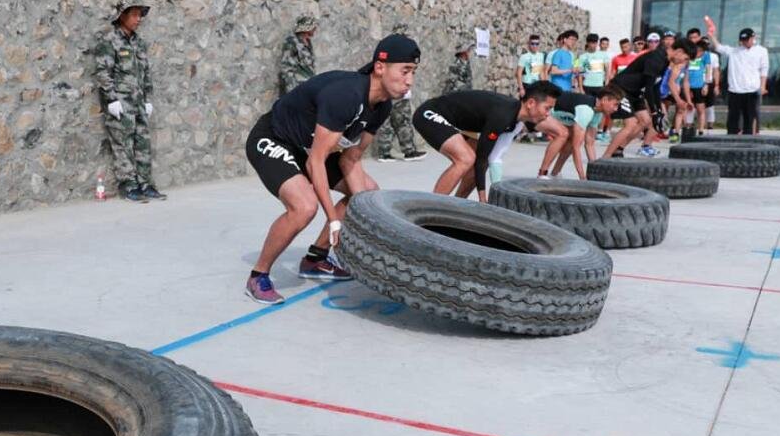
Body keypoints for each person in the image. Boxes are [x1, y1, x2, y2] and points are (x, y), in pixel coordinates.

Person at [243, 34, 420, 304]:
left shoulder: (381, 106)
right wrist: (334, 220)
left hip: (309, 150)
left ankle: (315, 258)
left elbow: (351, 159)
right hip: (274, 139)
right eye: (405, 71)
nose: (410, 81)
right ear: (380, 67)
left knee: (367, 194)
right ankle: (258, 275)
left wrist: (364, 217)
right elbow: (316, 161)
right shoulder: (346, 95)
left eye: (413, 72)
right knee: (304, 207)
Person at [414, 81, 559, 201]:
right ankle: (431, 206)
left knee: (474, 160)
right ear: (531, 103)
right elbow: (482, 160)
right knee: (466, 159)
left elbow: (488, 158)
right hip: (430, 113)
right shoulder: (503, 116)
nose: (548, 115)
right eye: (547, 108)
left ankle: (456, 204)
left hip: (455, 122)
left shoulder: (514, 119)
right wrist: (483, 198)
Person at [94, 0, 166, 202]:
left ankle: (145, 184)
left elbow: (145, 72)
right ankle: (129, 186)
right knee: (123, 145)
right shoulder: (110, 42)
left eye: (140, 15)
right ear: (122, 16)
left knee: (143, 143)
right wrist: (111, 99)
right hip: (121, 103)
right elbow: (103, 72)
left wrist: (148, 98)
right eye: (134, 14)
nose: (138, 19)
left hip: (139, 103)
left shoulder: (138, 43)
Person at [601, 36, 694, 158]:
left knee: (645, 121)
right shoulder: (656, 58)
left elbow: (656, 87)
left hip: (635, 91)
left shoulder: (665, 61)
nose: (683, 62)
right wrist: (654, 112)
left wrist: (659, 112)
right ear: (679, 51)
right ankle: (605, 157)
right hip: (620, 89)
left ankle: (619, 149)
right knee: (631, 123)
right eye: (685, 58)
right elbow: (649, 89)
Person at [534, 87, 623, 178]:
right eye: (615, 104)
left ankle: (555, 173)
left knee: (571, 138)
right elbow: (576, 147)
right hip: (535, 113)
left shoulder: (598, 113)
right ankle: (542, 174)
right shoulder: (586, 110)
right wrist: (582, 177)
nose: (616, 109)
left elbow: (590, 144)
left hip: (551, 116)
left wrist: (596, 171)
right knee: (563, 134)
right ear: (604, 100)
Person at [703, 16, 769, 135]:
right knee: (733, 118)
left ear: (753, 38)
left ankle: (749, 139)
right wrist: (711, 35)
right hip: (735, 90)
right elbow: (718, 47)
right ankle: (731, 138)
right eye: (743, 40)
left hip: (752, 90)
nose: (745, 42)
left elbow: (764, 70)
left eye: (747, 39)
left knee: (750, 117)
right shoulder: (734, 51)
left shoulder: (761, 51)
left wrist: (763, 86)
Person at [278, 15, 318, 96]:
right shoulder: (292, 42)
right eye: (313, 27)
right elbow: (286, 67)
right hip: (296, 86)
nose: (315, 29)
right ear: (306, 28)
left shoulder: (308, 42)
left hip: (308, 84)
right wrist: (291, 89)